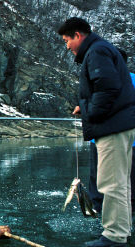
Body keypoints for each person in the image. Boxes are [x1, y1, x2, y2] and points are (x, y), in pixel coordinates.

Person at [58, 17, 135, 247]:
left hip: (112, 127)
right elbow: (108, 87)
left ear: (77, 36)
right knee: (121, 183)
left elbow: (108, 87)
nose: (67, 46)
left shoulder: (96, 51)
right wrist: (87, 105)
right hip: (120, 125)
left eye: (66, 41)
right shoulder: (101, 49)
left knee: (111, 184)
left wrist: (91, 114)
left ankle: (113, 236)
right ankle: (122, 230)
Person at [88, 49, 135, 214]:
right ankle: (128, 207)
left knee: (99, 176)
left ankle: (98, 207)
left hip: (103, 137)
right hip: (129, 138)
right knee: (128, 176)